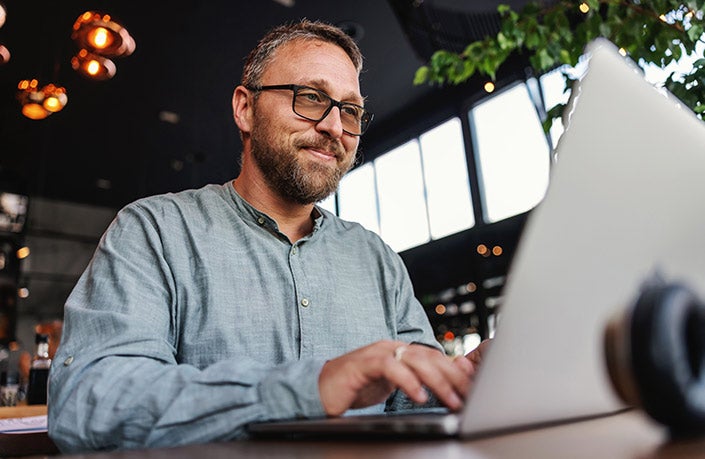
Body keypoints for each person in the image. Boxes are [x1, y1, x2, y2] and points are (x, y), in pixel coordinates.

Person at [47, 19, 487, 452]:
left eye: (350, 111)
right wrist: (308, 388)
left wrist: (468, 380)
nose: (335, 127)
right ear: (245, 108)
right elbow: (88, 402)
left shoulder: (377, 259)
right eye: (311, 97)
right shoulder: (155, 232)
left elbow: (414, 404)